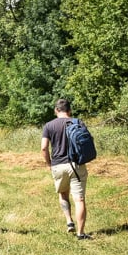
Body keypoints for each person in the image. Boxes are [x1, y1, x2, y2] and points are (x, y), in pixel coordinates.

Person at [41, 98, 90, 239]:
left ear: (56, 110)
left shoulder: (49, 126)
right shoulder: (78, 122)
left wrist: (49, 164)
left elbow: (44, 148)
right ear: (70, 111)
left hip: (58, 165)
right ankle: (81, 234)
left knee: (63, 194)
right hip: (76, 165)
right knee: (79, 199)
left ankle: (69, 222)